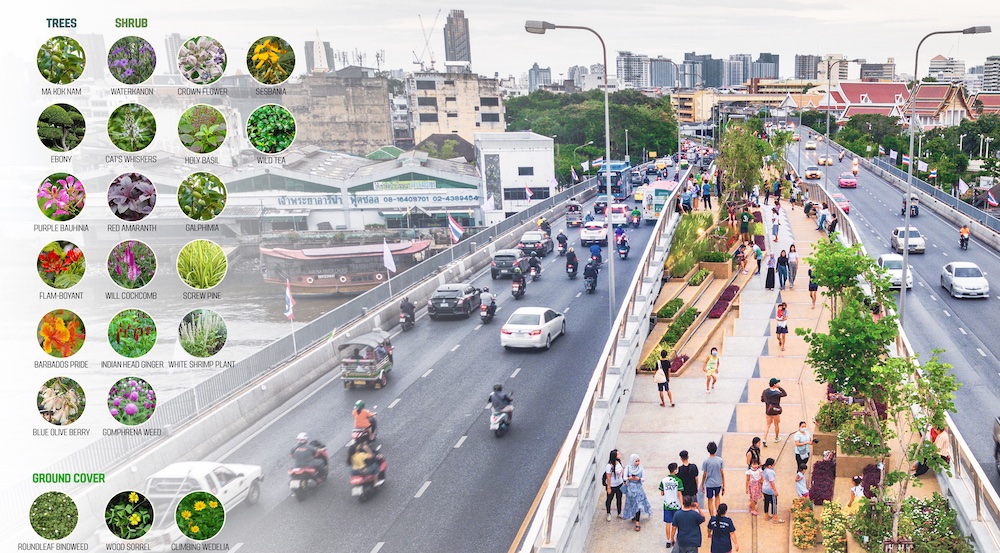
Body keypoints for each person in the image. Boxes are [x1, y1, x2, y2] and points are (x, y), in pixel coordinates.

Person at [622, 454, 652, 531]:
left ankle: (637, 523)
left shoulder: (641, 468)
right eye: (636, 461)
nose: (638, 463)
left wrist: (638, 479)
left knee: (638, 504)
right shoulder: (628, 468)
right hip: (631, 489)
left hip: (638, 488)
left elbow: (643, 478)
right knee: (632, 503)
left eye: (638, 461)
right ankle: (635, 516)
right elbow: (624, 477)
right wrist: (630, 478)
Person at [660, 463, 684, 547]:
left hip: (667, 504)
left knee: (668, 523)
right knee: (675, 523)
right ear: (675, 470)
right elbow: (679, 494)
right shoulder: (678, 481)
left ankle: (668, 540)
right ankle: (673, 538)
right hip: (676, 505)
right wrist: (682, 504)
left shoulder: (664, 480)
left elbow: (662, 493)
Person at [701, 441, 726, 517]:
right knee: (717, 497)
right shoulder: (720, 460)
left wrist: (702, 484)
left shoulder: (706, 461)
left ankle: (712, 515)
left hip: (709, 483)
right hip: (718, 482)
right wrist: (723, 484)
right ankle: (718, 513)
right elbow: (722, 473)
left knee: (710, 499)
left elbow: (704, 474)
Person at [761, 378, 787, 447]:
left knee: (767, 425)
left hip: (768, 411)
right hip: (775, 411)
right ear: (775, 384)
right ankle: (776, 437)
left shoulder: (765, 391)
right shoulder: (777, 393)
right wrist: (780, 388)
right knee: (776, 424)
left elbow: (762, 399)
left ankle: (764, 439)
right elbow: (784, 394)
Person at [761, 458, 784, 523]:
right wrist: (775, 491)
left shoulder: (765, 470)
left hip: (764, 489)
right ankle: (775, 517)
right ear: (770, 465)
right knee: (774, 503)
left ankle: (766, 515)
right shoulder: (770, 472)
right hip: (770, 490)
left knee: (766, 502)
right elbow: (772, 482)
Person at [605, 449, 625, 521]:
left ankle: (619, 513)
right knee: (609, 499)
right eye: (618, 454)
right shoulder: (609, 466)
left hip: (619, 484)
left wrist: (623, 481)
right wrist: (609, 487)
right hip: (612, 486)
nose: (620, 455)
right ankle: (608, 513)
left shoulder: (619, 462)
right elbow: (608, 477)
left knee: (619, 498)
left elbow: (622, 472)